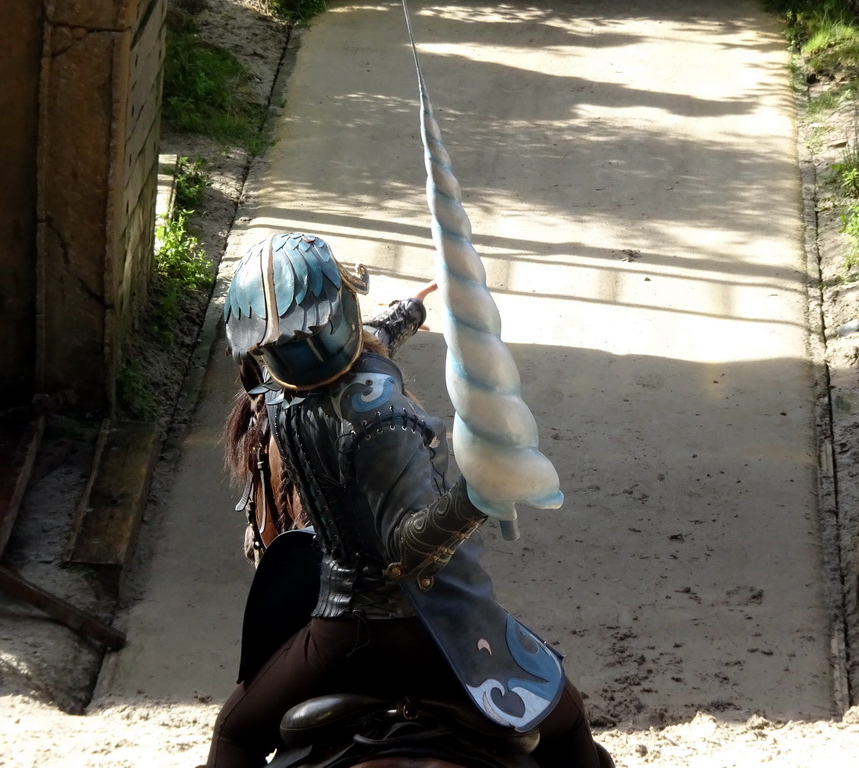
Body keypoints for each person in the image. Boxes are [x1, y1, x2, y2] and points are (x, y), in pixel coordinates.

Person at [207, 232, 611, 768]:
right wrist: (477, 495)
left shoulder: (279, 392)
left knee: (236, 733)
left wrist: (411, 310)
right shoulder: (388, 419)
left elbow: (365, 343)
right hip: (438, 628)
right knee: (569, 724)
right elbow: (407, 549)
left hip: (338, 631)